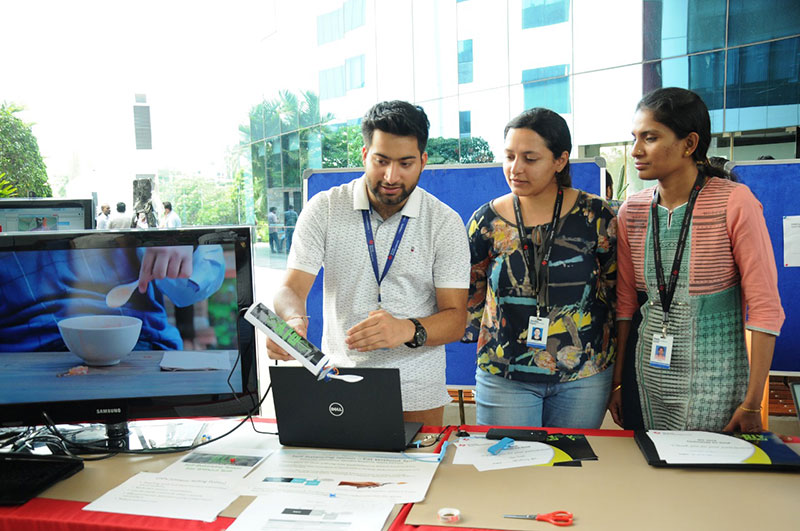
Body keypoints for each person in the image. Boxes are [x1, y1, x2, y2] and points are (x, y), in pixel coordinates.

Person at [266, 100, 470, 426]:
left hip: (417, 389)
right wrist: (292, 321)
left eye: (405, 163)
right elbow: (290, 288)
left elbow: (456, 320)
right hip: (339, 381)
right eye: (381, 161)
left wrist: (405, 329)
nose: (391, 176)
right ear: (364, 155)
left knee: (420, 475)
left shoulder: (445, 222)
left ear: (423, 162)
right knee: (341, 476)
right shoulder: (326, 208)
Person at [609, 87, 784, 433]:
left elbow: (765, 308)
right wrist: (617, 385)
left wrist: (753, 403)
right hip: (645, 379)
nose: (636, 151)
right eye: (635, 137)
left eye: (650, 137)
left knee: (702, 482)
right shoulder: (632, 211)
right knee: (650, 480)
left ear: (690, 144)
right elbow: (626, 305)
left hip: (715, 385)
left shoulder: (735, 202)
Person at [464, 108, 617, 429]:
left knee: (570, 472)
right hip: (505, 373)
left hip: (582, 375)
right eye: (509, 156)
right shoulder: (486, 221)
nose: (515, 168)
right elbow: (471, 292)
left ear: (560, 161)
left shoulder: (595, 216)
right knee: (508, 473)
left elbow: (617, 290)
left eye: (530, 159)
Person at [0, 245, 226, 352]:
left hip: (141, 348)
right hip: (19, 356)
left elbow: (184, 292)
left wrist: (186, 240)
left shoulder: (139, 206)